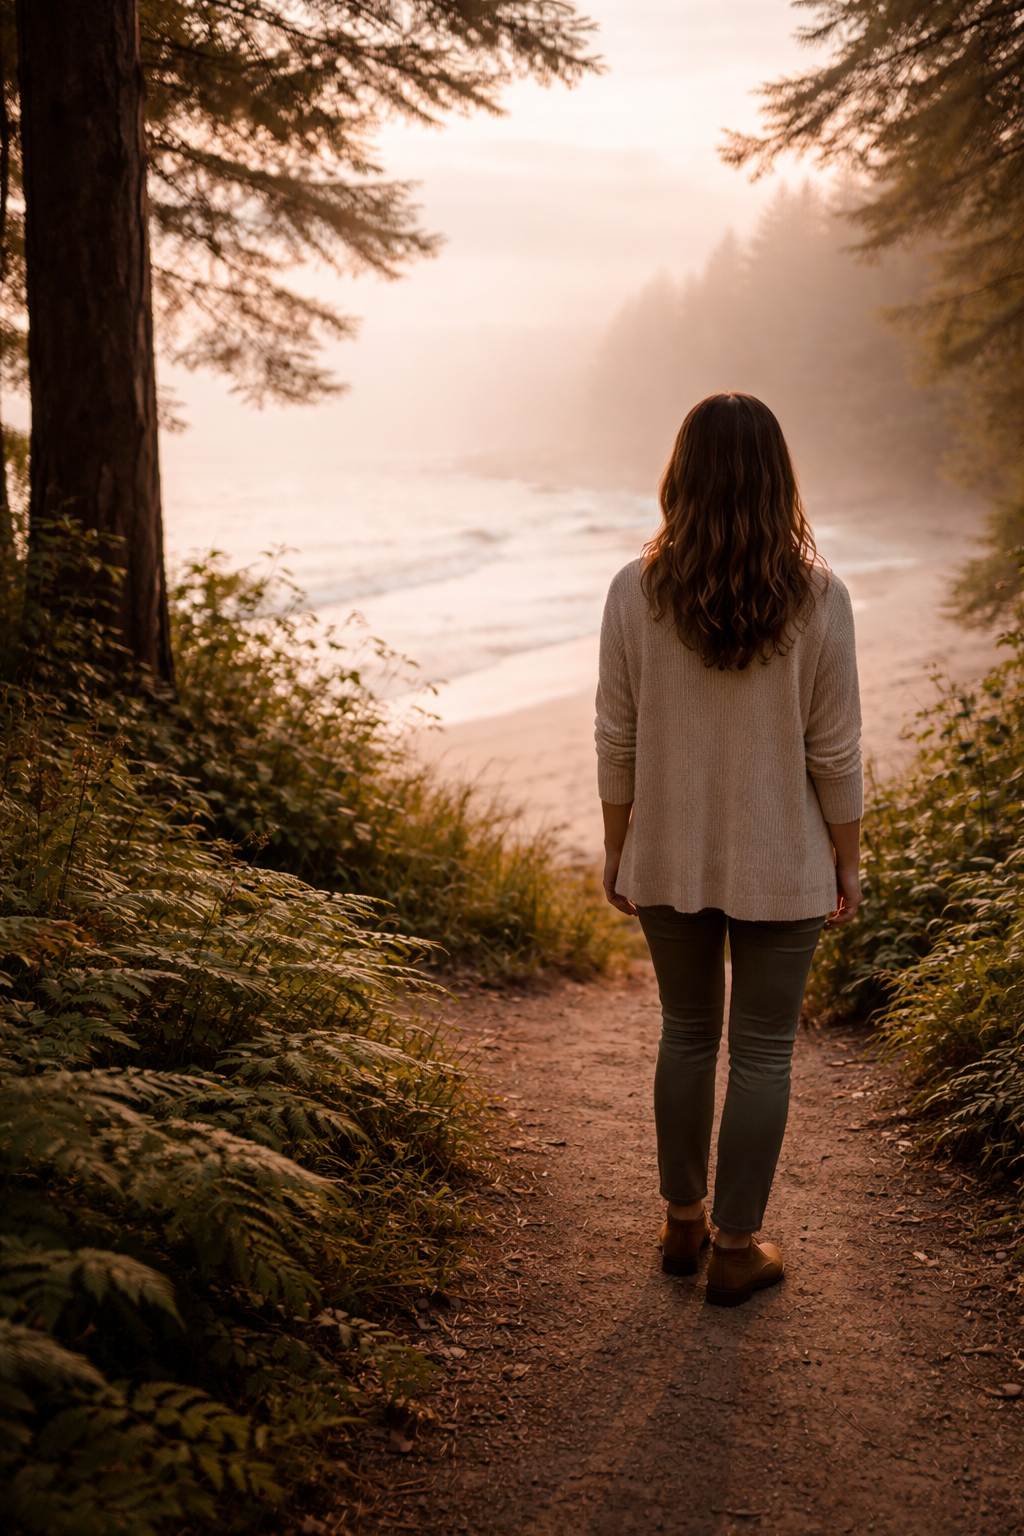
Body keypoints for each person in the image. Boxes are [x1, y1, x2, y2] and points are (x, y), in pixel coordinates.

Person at [595, 392, 862, 1308]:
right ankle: (737, 1248)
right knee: (760, 1053)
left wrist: (618, 844)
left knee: (685, 1035)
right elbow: (835, 749)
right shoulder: (822, 598)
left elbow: (615, 735)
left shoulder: (635, 589)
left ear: (683, 474)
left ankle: (681, 1223)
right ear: (778, 478)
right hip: (783, 862)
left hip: (666, 854)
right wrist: (848, 858)